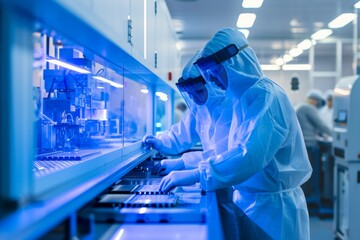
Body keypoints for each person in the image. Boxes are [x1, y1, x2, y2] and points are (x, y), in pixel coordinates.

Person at [158, 28, 312, 239]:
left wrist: (196, 173)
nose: (211, 80)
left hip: (274, 211)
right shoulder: (244, 99)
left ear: (235, 65)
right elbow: (230, 151)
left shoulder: (267, 96)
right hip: (251, 201)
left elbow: (249, 155)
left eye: (215, 71)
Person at [143, 51, 240, 240]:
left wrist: (182, 163)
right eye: (191, 93)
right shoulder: (201, 107)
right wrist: (161, 141)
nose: (195, 98)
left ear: (211, 85)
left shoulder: (228, 108)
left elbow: (223, 154)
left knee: (228, 223)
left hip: (229, 180)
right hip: (211, 176)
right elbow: (182, 133)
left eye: (199, 91)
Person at [296, 89, 332, 208]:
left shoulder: (300, 106)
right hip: (309, 146)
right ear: (316, 101)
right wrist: (335, 135)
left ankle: (306, 199)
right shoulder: (308, 108)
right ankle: (310, 199)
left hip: (303, 145)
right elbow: (320, 125)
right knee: (310, 177)